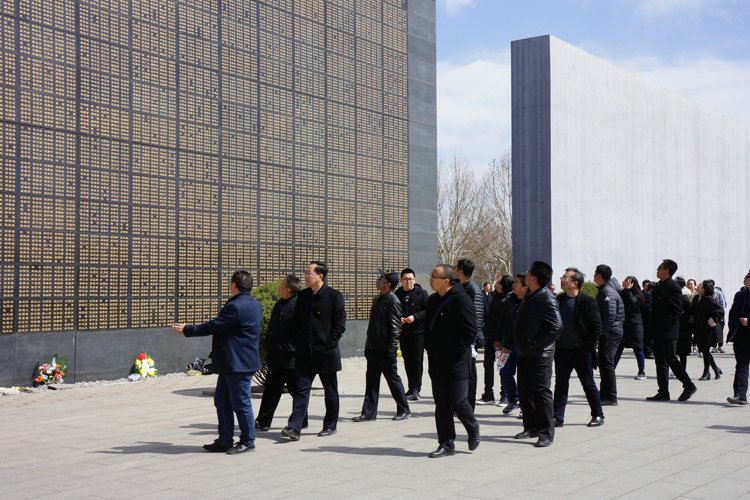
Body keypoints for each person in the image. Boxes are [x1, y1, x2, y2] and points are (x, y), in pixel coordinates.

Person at [172, 270, 261, 454]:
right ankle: (225, 440)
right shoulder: (253, 303)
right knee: (222, 401)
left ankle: (248, 441)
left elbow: (214, 325)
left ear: (234, 285)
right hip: (234, 362)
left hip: (237, 363)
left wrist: (188, 329)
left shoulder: (236, 306)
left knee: (241, 403)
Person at [281, 261, 346, 441]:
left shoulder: (334, 296)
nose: (305, 276)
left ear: (320, 276)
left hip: (326, 354)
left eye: (309, 273)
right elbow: (297, 322)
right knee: (301, 390)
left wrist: (329, 343)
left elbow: (339, 325)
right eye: (305, 272)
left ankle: (330, 425)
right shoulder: (303, 296)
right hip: (304, 353)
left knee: (330, 391)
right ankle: (294, 427)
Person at [424, 264, 480, 458]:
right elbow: (427, 327)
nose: (431, 279)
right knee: (441, 403)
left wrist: (456, 350)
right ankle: (446, 443)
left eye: (434, 276)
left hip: (457, 360)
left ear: (446, 281)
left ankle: (472, 427)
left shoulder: (461, 299)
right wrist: (429, 347)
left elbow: (471, 330)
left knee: (458, 401)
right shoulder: (432, 300)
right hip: (437, 360)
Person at [511, 260, 562, 448]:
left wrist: (535, 344)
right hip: (525, 353)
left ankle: (546, 433)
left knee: (542, 393)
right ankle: (531, 427)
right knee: (525, 392)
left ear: (534, 277)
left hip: (540, 355)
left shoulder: (546, 298)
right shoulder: (531, 295)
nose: (526, 273)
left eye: (529, 271)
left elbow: (556, 327)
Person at [353, 272, 411, 422]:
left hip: (385, 350)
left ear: (387, 284)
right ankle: (368, 413)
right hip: (373, 348)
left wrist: (391, 349)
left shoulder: (393, 300)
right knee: (371, 382)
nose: (377, 281)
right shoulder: (378, 298)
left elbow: (396, 328)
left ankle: (404, 409)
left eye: (381, 279)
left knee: (393, 380)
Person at [553, 268, 604, 428]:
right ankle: (557, 417)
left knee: (588, 384)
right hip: (562, 350)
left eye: (565, 277)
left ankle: (597, 414)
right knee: (561, 384)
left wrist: (589, 346)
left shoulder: (587, 301)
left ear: (575, 283)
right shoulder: (559, 299)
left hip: (581, 351)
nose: (562, 280)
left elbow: (596, 326)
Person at [255, 275, 308, 431]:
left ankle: (301, 420)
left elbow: (302, 331)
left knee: (296, 391)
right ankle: (263, 421)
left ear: (288, 290)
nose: (279, 287)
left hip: (290, 358)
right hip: (276, 356)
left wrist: (291, 348)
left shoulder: (299, 306)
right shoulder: (280, 303)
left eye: (281, 284)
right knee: (271, 390)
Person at [646, 259, 697, 402]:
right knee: (660, 361)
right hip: (658, 330)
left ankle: (689, 385)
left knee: (671, 359)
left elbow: (676, 311)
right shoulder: (659, 286)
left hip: (668, 331)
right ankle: (663, 392)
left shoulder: (673, 287)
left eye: (660, 268)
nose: (657, 270)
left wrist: (664, 326)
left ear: (666, 270)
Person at [395, 268, 429, 401]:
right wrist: (398, 318)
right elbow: (393, 310)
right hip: (403, 333)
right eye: (405, 279)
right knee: (407, 361)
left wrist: (415, 317)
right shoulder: (397, 294)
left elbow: (428, 311)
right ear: (401, 280)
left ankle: (416, 388)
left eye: (410, 279)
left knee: (416, 361)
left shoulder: (422, 293)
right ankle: (410, 387)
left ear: (414, 280)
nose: (408, 282)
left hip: (418, 333)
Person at [455, 258, 484, 408]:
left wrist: (472, 341)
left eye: (456, 268)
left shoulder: (473, 289)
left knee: (470, 373)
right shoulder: (460, 286)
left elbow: (477, 317)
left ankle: (469, 405)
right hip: (460, 337)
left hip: (469, 340)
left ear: (460, 271)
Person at [495, 274, 526, 415]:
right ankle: (514, 399)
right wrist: (498, 340)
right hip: (508, 345)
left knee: (524, 378)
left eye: (517, 283)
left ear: (525, 287)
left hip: (525, 347)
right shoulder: (508, 301)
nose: (514, 285)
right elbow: (501, 322)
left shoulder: (531, 301)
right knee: (505, 372)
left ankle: (525, 406)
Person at [593, 264, 624, 406]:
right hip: (609, 331)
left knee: (607, 363)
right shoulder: (605, 289)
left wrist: (601, 333)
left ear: (599, 275)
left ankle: (611, 396)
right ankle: (604, 394)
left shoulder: (607, 292)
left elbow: (609, 317)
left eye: (595, 274)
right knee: (604, 363)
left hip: (610, 332)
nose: (594, 276)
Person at [481, 275, 513, 405]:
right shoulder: (494, 297)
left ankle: (505, 395)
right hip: (490, 338)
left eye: (499, 282)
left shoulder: (508, 300)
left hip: (500, 341)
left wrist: (499, 339)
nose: (496, 283)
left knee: (502, 367)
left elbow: (505, 323)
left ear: (503, 285)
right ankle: (488, 394)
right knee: (487, 365)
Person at [692, 280, 724, 380]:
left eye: (700, 285)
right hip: (698, 328)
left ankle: (706, 372)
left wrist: (713, 319)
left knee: (705, 350)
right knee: (704, 350)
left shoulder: (709, 299)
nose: (698, 286)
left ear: (704, 289)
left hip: (707, 329)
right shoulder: (696, 298)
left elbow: (720, 311)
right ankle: (716, 369)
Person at [616, 276, 647, 380]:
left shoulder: (638, 294)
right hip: (624, 324)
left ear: (632, 283)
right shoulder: (621, 292)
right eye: (624, 280)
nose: (624, 282)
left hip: (635, 324)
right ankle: (611, 369)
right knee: (619, 347)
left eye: (627, 281)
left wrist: (628, 290)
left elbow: (632, 301)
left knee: (638, 348)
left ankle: (641, 371)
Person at [727, 271, 750, 405]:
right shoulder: (740, 295)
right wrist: (732, 325)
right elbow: (732, 313)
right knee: (741, 365)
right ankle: (740, 395)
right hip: (741, 336)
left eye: (747, 277)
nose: (744, 278)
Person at [675, 276, 693, 369]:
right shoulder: (676, 296)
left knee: (682, 352)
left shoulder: (684, 298)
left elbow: (688, 313)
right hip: (677, 328)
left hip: (683, 329)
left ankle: (682, 369)